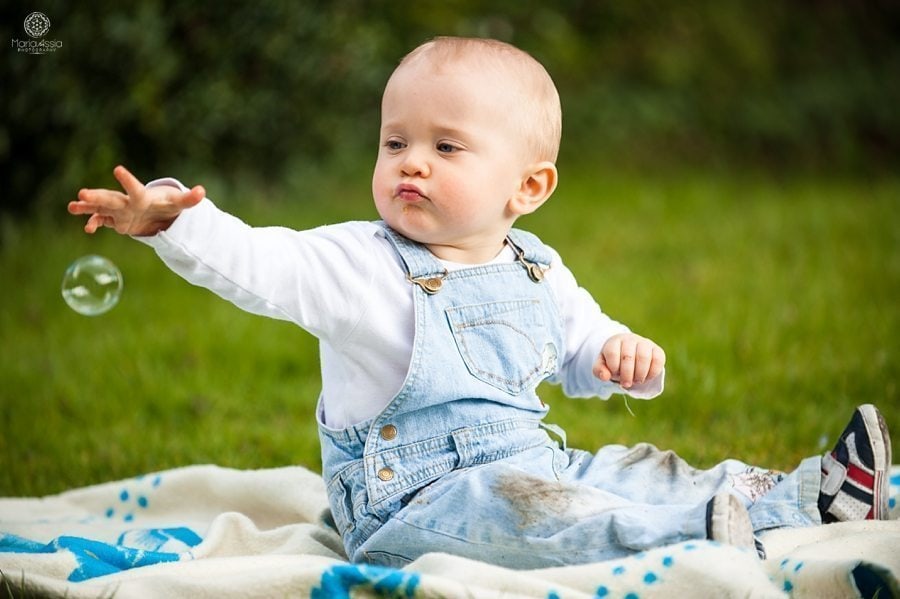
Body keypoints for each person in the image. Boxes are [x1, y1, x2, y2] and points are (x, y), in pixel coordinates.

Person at [67, 36, 892, 569]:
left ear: (527, 187)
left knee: (625, 473)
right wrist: (174, 217)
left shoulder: (535, 266)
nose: (411, 163)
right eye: (395, 142)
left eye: (445, 146)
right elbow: (260, 262)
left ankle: (803, 496)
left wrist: (617, 355)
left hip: (529, 460)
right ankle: (698, 544)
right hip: (415, 507)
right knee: (549, 519)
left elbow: (579, 343)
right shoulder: (360, 263)